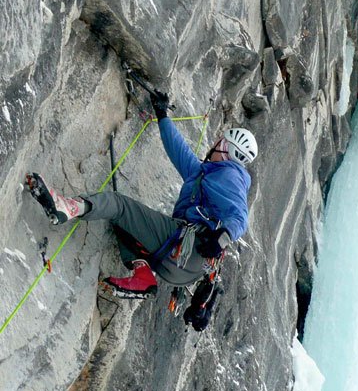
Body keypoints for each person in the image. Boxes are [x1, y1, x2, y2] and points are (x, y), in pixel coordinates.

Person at [26, 92, 258, 330]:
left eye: (219, 142)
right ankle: (143, 275)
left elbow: (239, 215)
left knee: (118, 204)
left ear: (226, 146)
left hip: (183, 248)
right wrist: (162, 115)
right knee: (123, 222)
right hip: (183, 270)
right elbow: (178, 151)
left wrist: (224, 237)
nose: (214, 144)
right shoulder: (204, 173)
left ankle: (67, 207)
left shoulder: (230, 174)